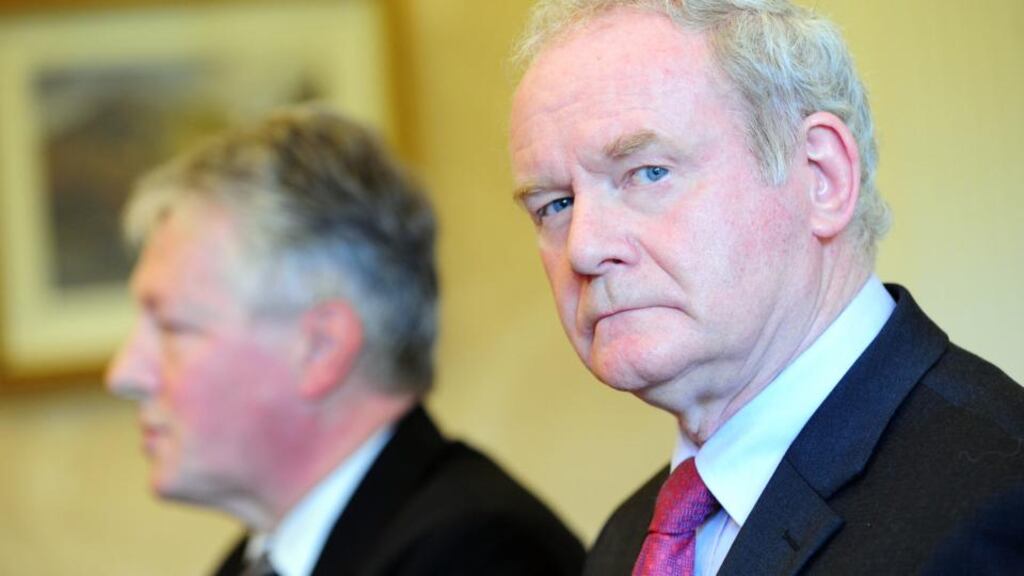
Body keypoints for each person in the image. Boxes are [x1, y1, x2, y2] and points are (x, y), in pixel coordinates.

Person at [508, 1, 1024, 574]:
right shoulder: (623, 544)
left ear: (821, 178)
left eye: (648, 172)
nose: (583, 247)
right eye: (555, 204)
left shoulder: (998, 503)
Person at [106, 106, 584, 576]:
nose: (125, 374)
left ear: (320, 348)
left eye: (172, 327)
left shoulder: (481, 556)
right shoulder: (254, 562)